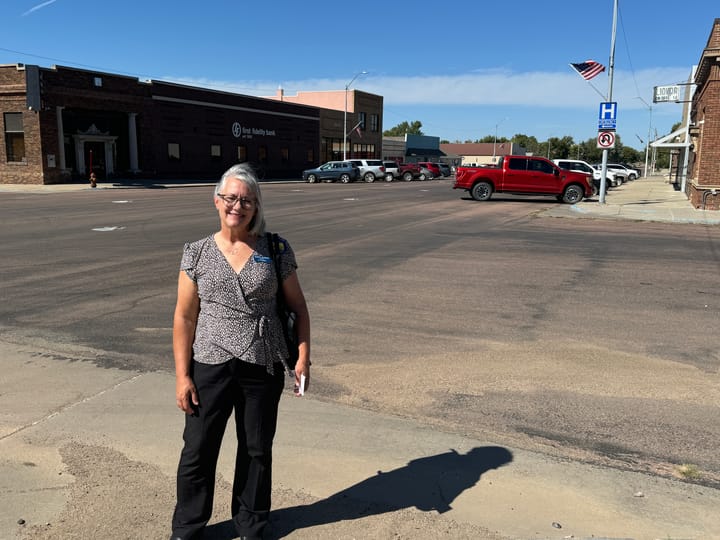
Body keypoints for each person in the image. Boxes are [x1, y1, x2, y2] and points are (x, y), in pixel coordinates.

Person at [170, 163, 311, 540]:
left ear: (256, 206)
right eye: (231, 197)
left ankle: (251, 524)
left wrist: (302, 357)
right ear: (216, 200)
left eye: (247, 200)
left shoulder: (275, 249)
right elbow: (184, 317)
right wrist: (183, 376)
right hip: (209, 363)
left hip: (262, 363)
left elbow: (298, 308)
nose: (238, 205)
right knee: (198, 450)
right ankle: (188, 526)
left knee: (256, 449)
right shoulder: (196, 252)